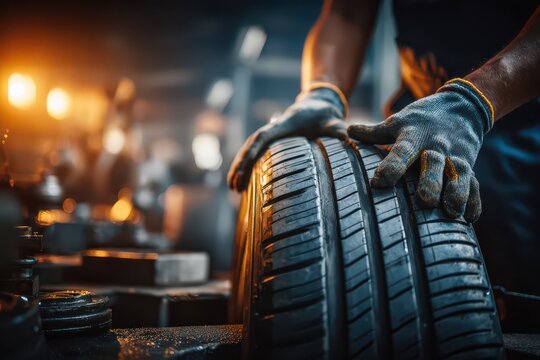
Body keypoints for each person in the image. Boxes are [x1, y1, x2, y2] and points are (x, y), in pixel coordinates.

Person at [227, 0, 540, 294]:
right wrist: (322, 91)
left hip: (522, 132)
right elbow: (346, 14)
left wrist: (474, 101)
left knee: (516, 301)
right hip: (416, 125)